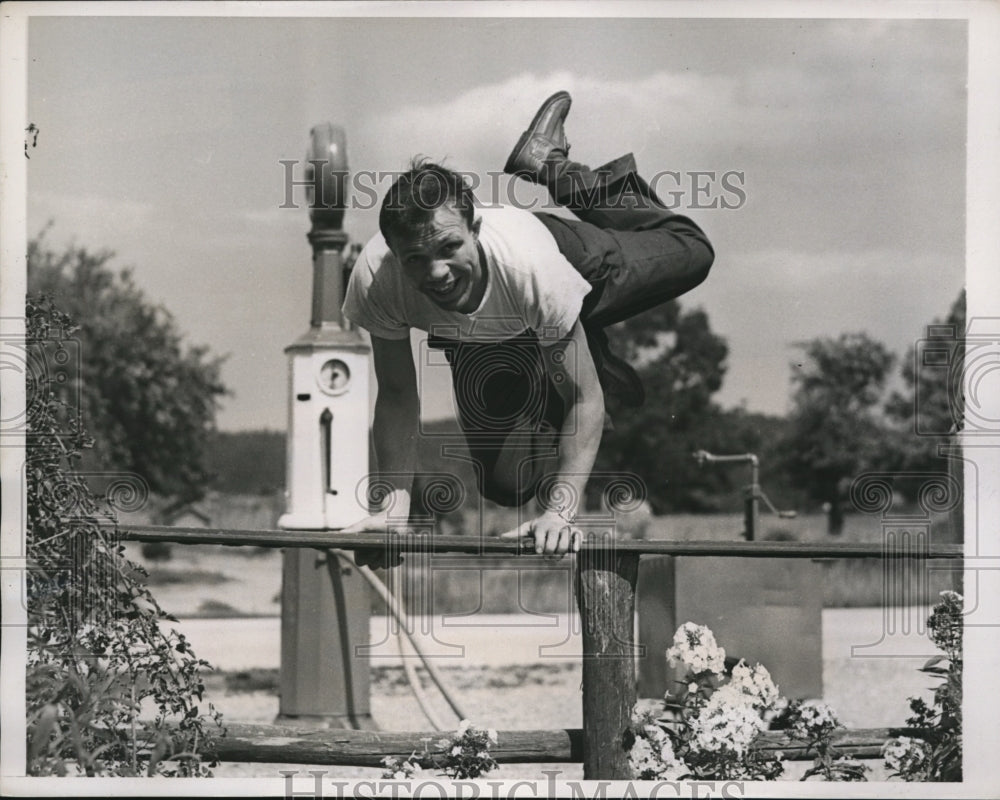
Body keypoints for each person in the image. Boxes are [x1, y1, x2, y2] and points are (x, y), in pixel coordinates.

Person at [341, 91, 714, 556]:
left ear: (475, 231)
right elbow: (396, 395)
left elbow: (584, 396)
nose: (436, 272)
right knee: (505, 484)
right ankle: (575, 345)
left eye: (449, 247)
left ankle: (549, 164)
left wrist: (560, 512)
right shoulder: (376, 279)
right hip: (484, 337)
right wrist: (391, 513)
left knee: (690, 250)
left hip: (566, 265)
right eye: (416, 258)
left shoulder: (531, 268)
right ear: (395, 256)